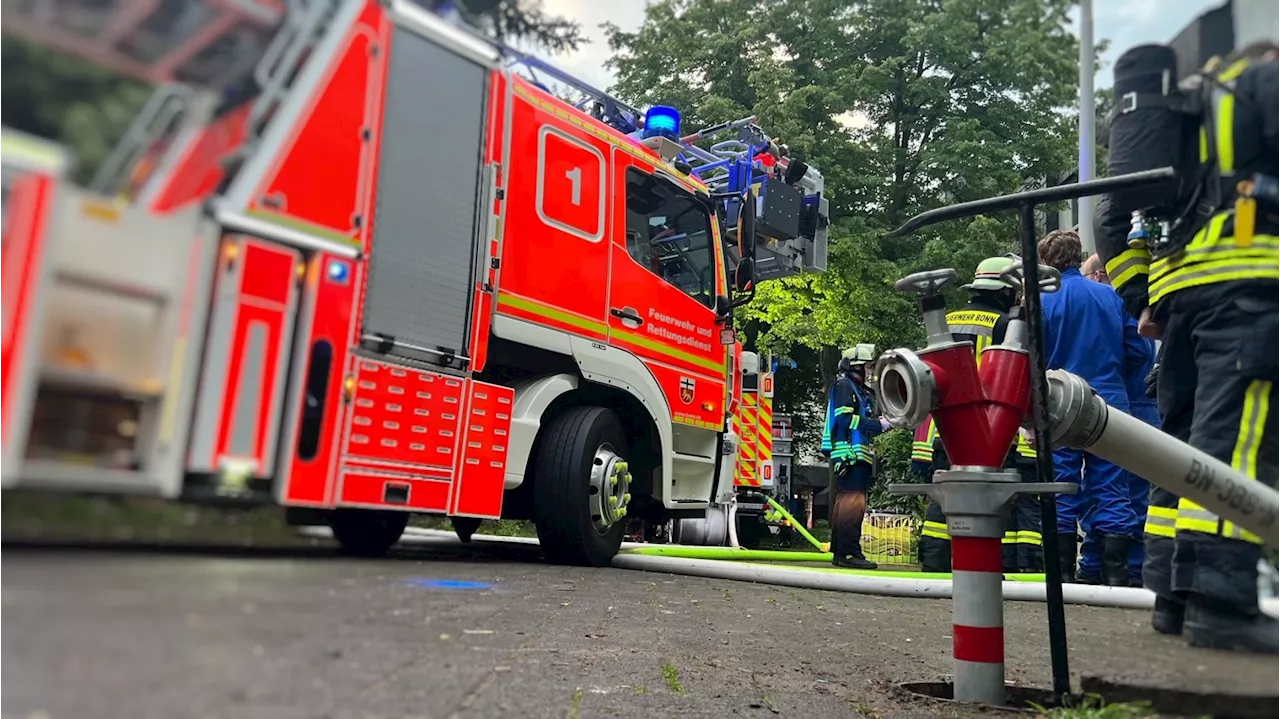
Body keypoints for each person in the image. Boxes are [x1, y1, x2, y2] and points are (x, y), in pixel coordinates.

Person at [1094, 42, 1280, 653]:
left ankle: (1172, 598)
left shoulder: (1178, 114)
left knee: (1180, 450)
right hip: (1251, 286)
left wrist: (1140, 295)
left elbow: (1112, 214)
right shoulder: (1262, 85)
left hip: (1179, 303)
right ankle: (1221, 605)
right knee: (1239, 445)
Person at [911, 256, 1044, 574]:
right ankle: (1014, 566)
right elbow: (1011, 374)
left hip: (946, 428)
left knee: (945, 495)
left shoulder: (947, 320)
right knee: (1002, 499)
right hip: (991, 428)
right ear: (1004, 291)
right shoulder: (1004, 325)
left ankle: (934, 562)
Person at [1038, 230, 1149, 587]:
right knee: (1113, 486)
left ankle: (1062, 576)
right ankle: (1116, 577)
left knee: (1060, 486)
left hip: (1058, 400)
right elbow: (1139, 351)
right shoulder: (1111, 297)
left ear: (1046, 261)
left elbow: (1028, 353)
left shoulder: (1039, 300)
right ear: (1077, 255)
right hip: (1109, 401)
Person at [1083, 251, 1158, 587]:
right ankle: (1121, 571)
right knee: (1119, 493)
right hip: (1133, 407)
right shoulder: (1125, 310)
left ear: (1099, 276)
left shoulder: (1119, 306)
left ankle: (1107, 569)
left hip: (1126, 406)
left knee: (1113, 492)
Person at [821, 344, 890, 569]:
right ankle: (849, 553)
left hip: (853, 455)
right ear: (855, 368)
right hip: (849, 454)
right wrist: (877, 425)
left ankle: (841, 553)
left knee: (847, 503)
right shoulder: (845, 386)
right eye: (867, 367)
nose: (869, 371)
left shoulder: (854, 389)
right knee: (853, 504)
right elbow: (843, 419)